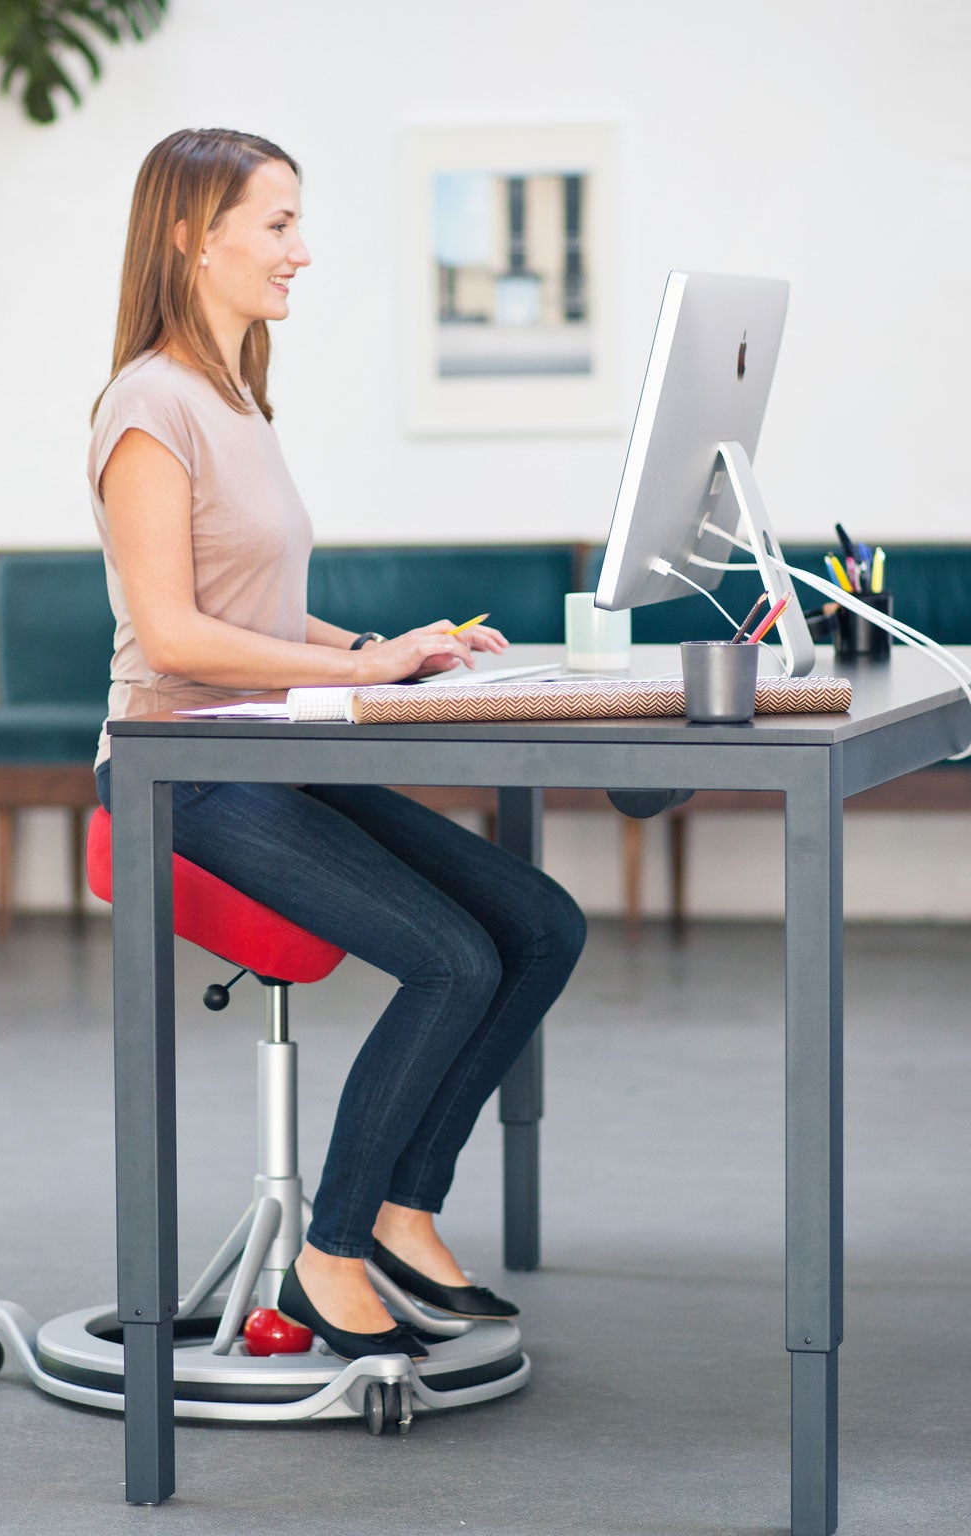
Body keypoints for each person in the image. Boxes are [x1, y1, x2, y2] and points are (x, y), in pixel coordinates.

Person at [88, 127, 586, 1361]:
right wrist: (359, 673)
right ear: (188, 237)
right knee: (450, 963)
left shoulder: (237, 393)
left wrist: (382, 641)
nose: (300, 252)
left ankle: (404, 1209)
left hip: (269, 747)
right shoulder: (148, 405)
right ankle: (330, 1255)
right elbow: (172, 634)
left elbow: (246, 603)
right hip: (181, 769)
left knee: (536, 925)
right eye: (276, 225)